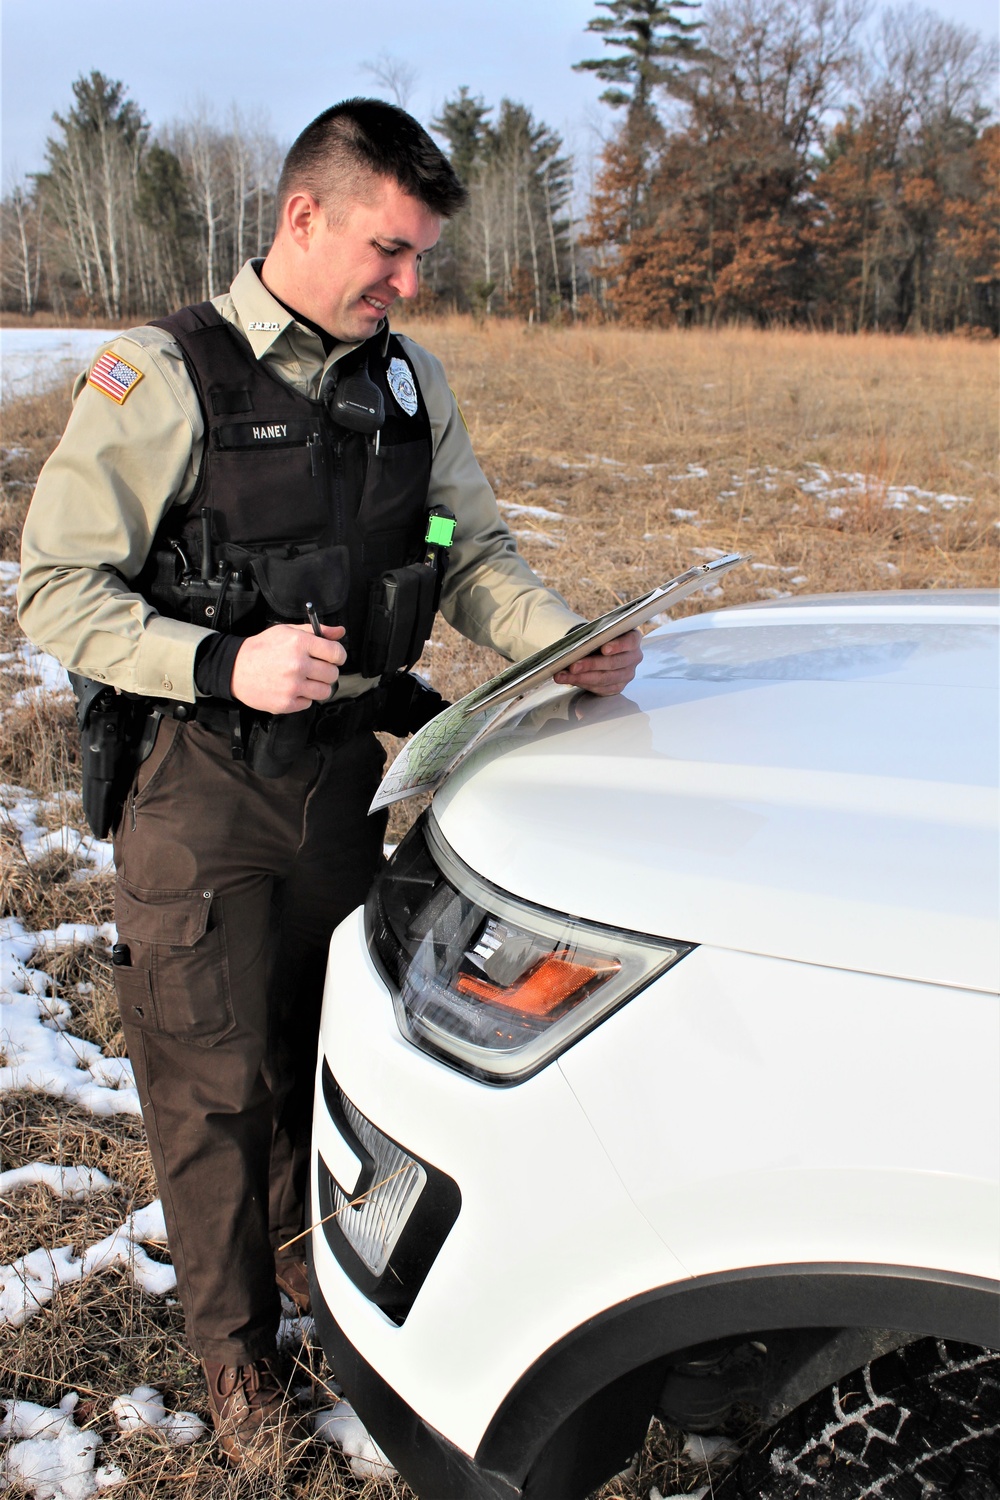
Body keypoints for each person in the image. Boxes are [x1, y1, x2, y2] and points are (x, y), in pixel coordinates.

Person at [17, 98, 641, 1468]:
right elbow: (53, 591)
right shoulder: (163, 376)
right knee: (214, 1089)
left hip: (352, 784)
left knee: (339, 1061)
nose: (409, 283)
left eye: (420, 259)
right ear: (304, 217)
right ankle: (238, 1365)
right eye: (391, 249)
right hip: (202, 788)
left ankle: (322, 1279)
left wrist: (565, 643)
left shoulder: (403, 381)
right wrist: (214, 663)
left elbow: (471, 549)